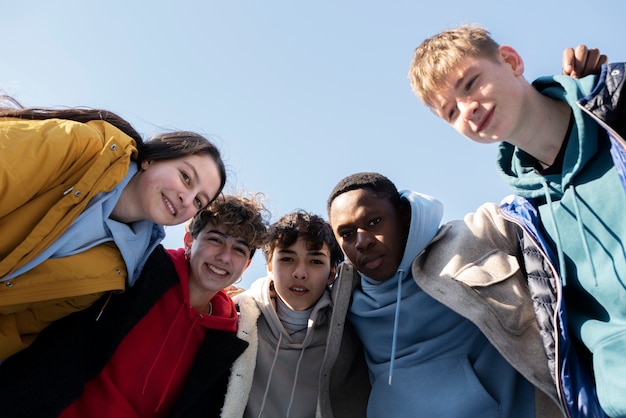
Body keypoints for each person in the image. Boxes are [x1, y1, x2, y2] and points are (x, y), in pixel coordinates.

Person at [408, 25, 623, 417]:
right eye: (451, 112)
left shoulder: (618, 116)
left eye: (471, 83)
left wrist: (600, 98)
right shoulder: (524, 219)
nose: (468, 109)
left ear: (510, 61)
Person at [327, 172, 586, 418]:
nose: (362, 241)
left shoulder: (471, 237)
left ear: (403, 215)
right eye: (347, 234)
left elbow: (543, 207)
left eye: (373, 222)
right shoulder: (342, 299)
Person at [0, 194, 270, 418]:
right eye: (215, 240)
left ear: (246, 265)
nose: (224, 257)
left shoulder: (229, 337)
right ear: (189, 241)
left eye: (239, 250)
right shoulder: (139, 269)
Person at [0, 95, 226, 360]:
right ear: (151, 160)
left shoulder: (114, 273)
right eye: (185, 177)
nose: (186, 199)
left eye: (198, 201)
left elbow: (18, 327)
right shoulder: (84, 145)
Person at [222, 210, 370, 417]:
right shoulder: (235, 317)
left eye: (316, 261)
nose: (300, 272)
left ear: (332, 273)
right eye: (287, 259)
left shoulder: (349, 334)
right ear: (269, 267)